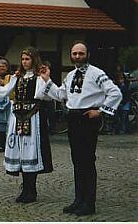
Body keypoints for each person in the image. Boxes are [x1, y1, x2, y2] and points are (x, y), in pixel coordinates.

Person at [40, 41, 122, 216]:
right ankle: (79, 200)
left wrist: (100, 111)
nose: (77, 56)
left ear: (87, 55)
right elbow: (61, 95)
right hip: (73, 118)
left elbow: (115, 93)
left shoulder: (97, 73)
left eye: (81, 53)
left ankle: (89, 203)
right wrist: (47, 80)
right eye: (75, 53)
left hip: (87, 119)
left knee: (87, 161)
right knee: (77, 161)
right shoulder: (70, 76)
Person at [0, 47, 53, 203]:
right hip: (17, 117)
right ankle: (25, 188)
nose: (25, 62)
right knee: (20, 152)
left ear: (34, 59)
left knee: (31, 151)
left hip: (32, 117)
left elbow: (41, 95)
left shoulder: (39, 77)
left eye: (28, 59)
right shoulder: (17, 77)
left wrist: (45, 78)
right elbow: (4, 91)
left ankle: (31, 189)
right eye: (23, 59)